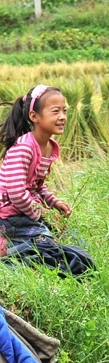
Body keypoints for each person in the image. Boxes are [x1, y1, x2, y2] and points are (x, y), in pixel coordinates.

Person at [0, 85, 73, 258]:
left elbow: (37, 185)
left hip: (23, 211)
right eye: (55, 111)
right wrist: (43, 213)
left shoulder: (48, 146)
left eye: (64, 111)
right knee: (47, 246)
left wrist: (54, 202)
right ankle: (5, 252)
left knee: (67, 238)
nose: (62, 117)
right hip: (7, 213)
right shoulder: (24, 148)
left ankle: (13, 241)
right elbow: (17, 193)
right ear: (34, 116)